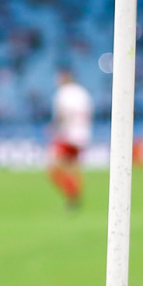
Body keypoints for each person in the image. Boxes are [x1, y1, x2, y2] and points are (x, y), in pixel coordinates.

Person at [49, 68, 94, 210]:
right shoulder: (83, 93)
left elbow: (61, 115)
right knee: (73, 167)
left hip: (68, 135)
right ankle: (75, 195)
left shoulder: (63, 93)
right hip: (83, 135)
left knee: (54, 169)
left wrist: (54, 129)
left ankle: (73, 195)